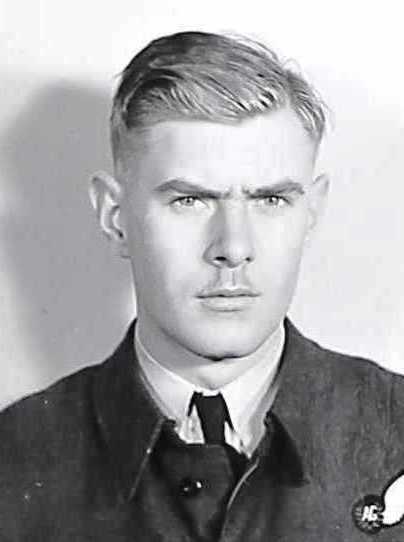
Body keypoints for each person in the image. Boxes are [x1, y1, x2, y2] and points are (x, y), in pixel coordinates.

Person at [0, 30, 403, 541]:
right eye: (190, 200)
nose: (233, 247)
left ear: (312, 211)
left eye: (271, 200)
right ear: (115, 215)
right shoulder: (13, 461)